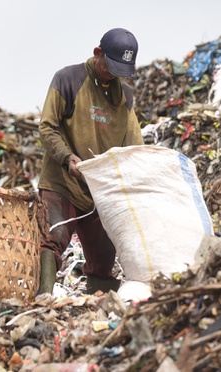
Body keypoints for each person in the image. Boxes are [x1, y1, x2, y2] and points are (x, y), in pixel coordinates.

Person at [37, 27, 144, 295]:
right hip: (63, 180)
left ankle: (98, 306)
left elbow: (134, 146)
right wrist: (67, 157)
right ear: (98, 53)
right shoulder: (68, 79)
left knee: (103, 255)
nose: (114, 75)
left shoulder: (125, 96)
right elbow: (47, 127)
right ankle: (42, 299)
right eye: (110, 67)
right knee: (53, 237)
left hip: (99, 187)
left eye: (121, 71)